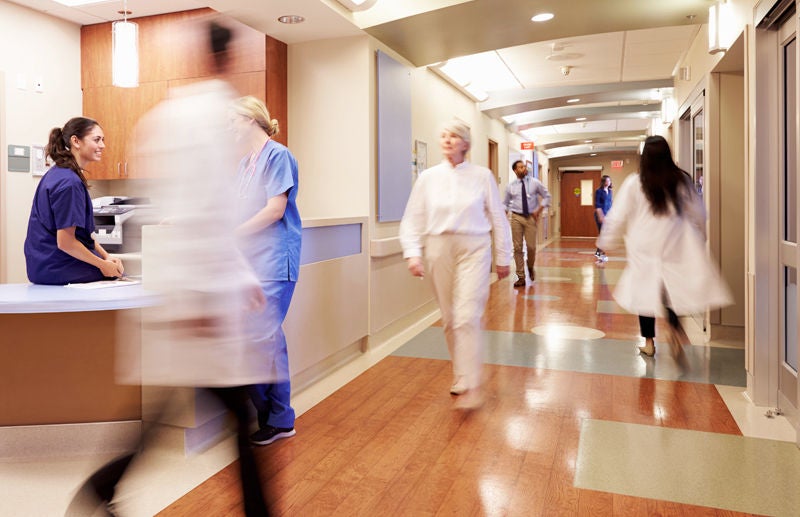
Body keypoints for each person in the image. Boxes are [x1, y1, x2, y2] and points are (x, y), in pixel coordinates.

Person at [67, 21, 275, 517]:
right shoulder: (206, 122)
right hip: (196, 299)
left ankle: (103, 487)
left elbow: (198, 212)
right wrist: (205, 298)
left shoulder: (167, 116)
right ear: (225, 59)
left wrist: (235, 280)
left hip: (191, 294)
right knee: (229, 416)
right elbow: (202, 211)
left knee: (173, 412)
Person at [399, 120, 512, 409]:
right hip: (438, 248)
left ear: (465, 143)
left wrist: (503, 256)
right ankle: (461, 373)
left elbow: (498, 218)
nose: (448, 140)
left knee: (467, 315)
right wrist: (413, 253)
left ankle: (472, 381)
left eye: (455, 136)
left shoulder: (482, 175)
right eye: (444, 135)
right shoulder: (428, 178)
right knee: (450, 318)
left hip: (474, 246)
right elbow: (413, 217)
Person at [597, 135, 731, 361]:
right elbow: (699, 213)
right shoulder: (681, 180)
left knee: (644, 294)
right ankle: (675, 329)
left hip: (644, 245)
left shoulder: (634, 182)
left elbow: (617, 216)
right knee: (670, 290)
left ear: (644, 158)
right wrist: (701, 237)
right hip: (674, 241)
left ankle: (649, 343)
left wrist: (605, 242)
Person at [230, 95, 302, 446]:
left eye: (232, 120)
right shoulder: (245, 163)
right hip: (250, 264)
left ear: (249, 120)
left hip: (274, 260)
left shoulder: (278, 155)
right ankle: (271, 415)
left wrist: (234, 234)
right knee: (259, 339)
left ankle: (278, 418)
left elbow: (275, 210)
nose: (229, 127)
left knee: (262, 339)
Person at [24, 117, 124, 285]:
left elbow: (82, 236)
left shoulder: (59, 174)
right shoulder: (69, 183)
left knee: (114, 269)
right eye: (97, 140)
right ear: (76, 141)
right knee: (116, 275)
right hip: (56, 266)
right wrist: (103, 265)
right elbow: (66, 242)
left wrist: (107, 257)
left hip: (44, 264)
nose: (102, 146)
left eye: (103, 140)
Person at [504, 160, 551, 287]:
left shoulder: (535, 183)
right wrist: (503, 214)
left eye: (524, 166)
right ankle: (521, 276)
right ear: (515, 170)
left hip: (531, 217)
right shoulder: (511, 186)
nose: (523, 168)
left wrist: (539, 209)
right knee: (517, 248)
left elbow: (547, 196)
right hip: (516, 217)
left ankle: (530, 266)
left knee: (531, 247)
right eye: (520, 167)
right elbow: (506, 203)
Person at [594, 174, 613, 261]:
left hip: (608, 215)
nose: (609, 182)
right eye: (607, 180)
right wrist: (601, 216)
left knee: (604, 234)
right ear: (603, 182)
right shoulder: (598, 191)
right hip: (600, 214)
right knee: (603, 234)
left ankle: (598, 252)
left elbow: (610, 204)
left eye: (610, 180)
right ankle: (601, 254)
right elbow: (597, 205)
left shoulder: (610, 191)